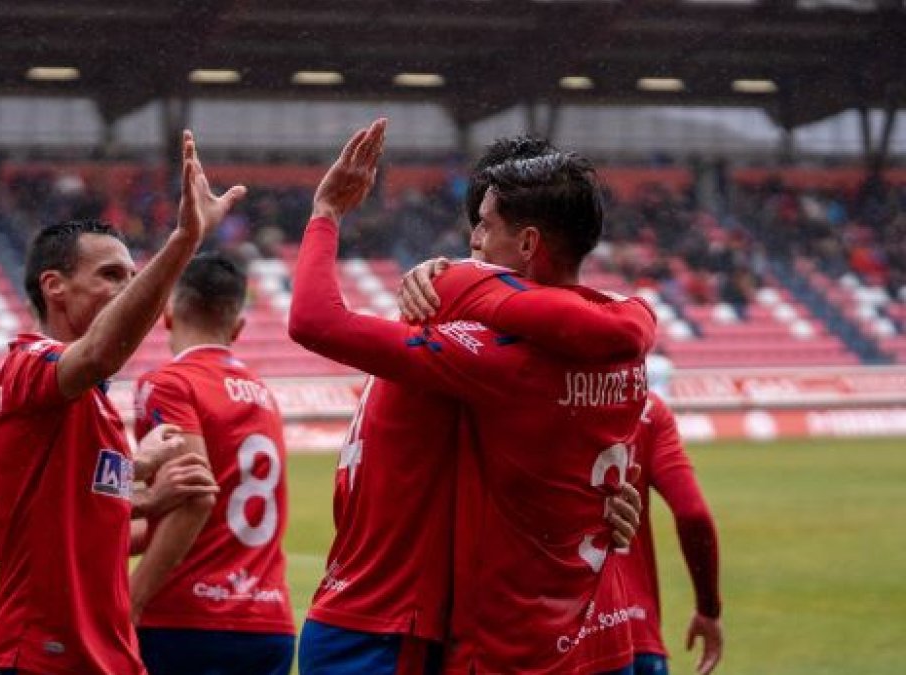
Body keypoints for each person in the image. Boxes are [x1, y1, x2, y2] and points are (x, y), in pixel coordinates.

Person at [289, 119, 654, 675]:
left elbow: (316, 320)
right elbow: (620, 329)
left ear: (529, 241)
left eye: (483, 227)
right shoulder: (619, 354)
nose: (471, 243)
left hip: (401, 625)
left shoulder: (485, 352)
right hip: (544, 630)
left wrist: (328, 215)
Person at [0, 131, 244, 675]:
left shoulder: (81, 398)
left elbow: (65, 516)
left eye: (131, 273)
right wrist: (184, 241)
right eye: (110, 276)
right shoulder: (28, 366)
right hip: (42, 654)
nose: (128, 287)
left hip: (105, 653)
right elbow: (100, 352)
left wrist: (138, 481)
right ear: (54, 286)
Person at [130, 252, 296, 675]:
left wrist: (130, 600)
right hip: (268, 621)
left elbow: (194, 494)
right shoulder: (262, 393)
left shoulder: (168, 384)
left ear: (168, 314)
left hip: (189, 618)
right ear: (237, 327)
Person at [619, 392, 723, 675]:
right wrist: (708, 609)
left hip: (553, 633)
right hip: (636, 631)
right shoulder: (649, 409)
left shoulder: (527, 400)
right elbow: (694, 515)